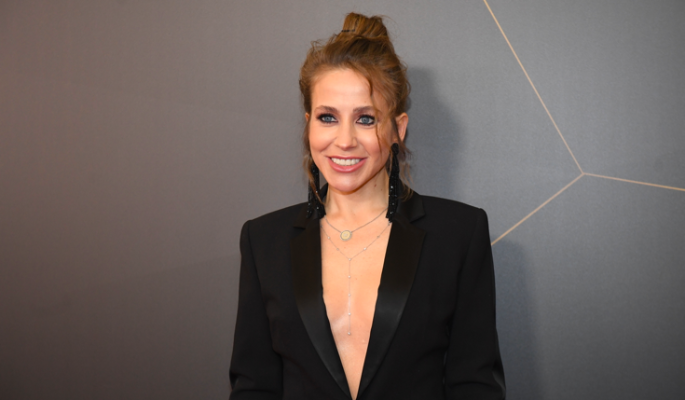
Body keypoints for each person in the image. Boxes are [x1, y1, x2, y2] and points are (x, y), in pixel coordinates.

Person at [229, 12, 505, 400]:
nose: (344, 140)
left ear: (398, 129)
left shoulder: (458, 234)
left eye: (366, 119)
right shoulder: (263, 242)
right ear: (309, 125)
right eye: (328, 117)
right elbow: (254, 387)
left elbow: (474, 386)